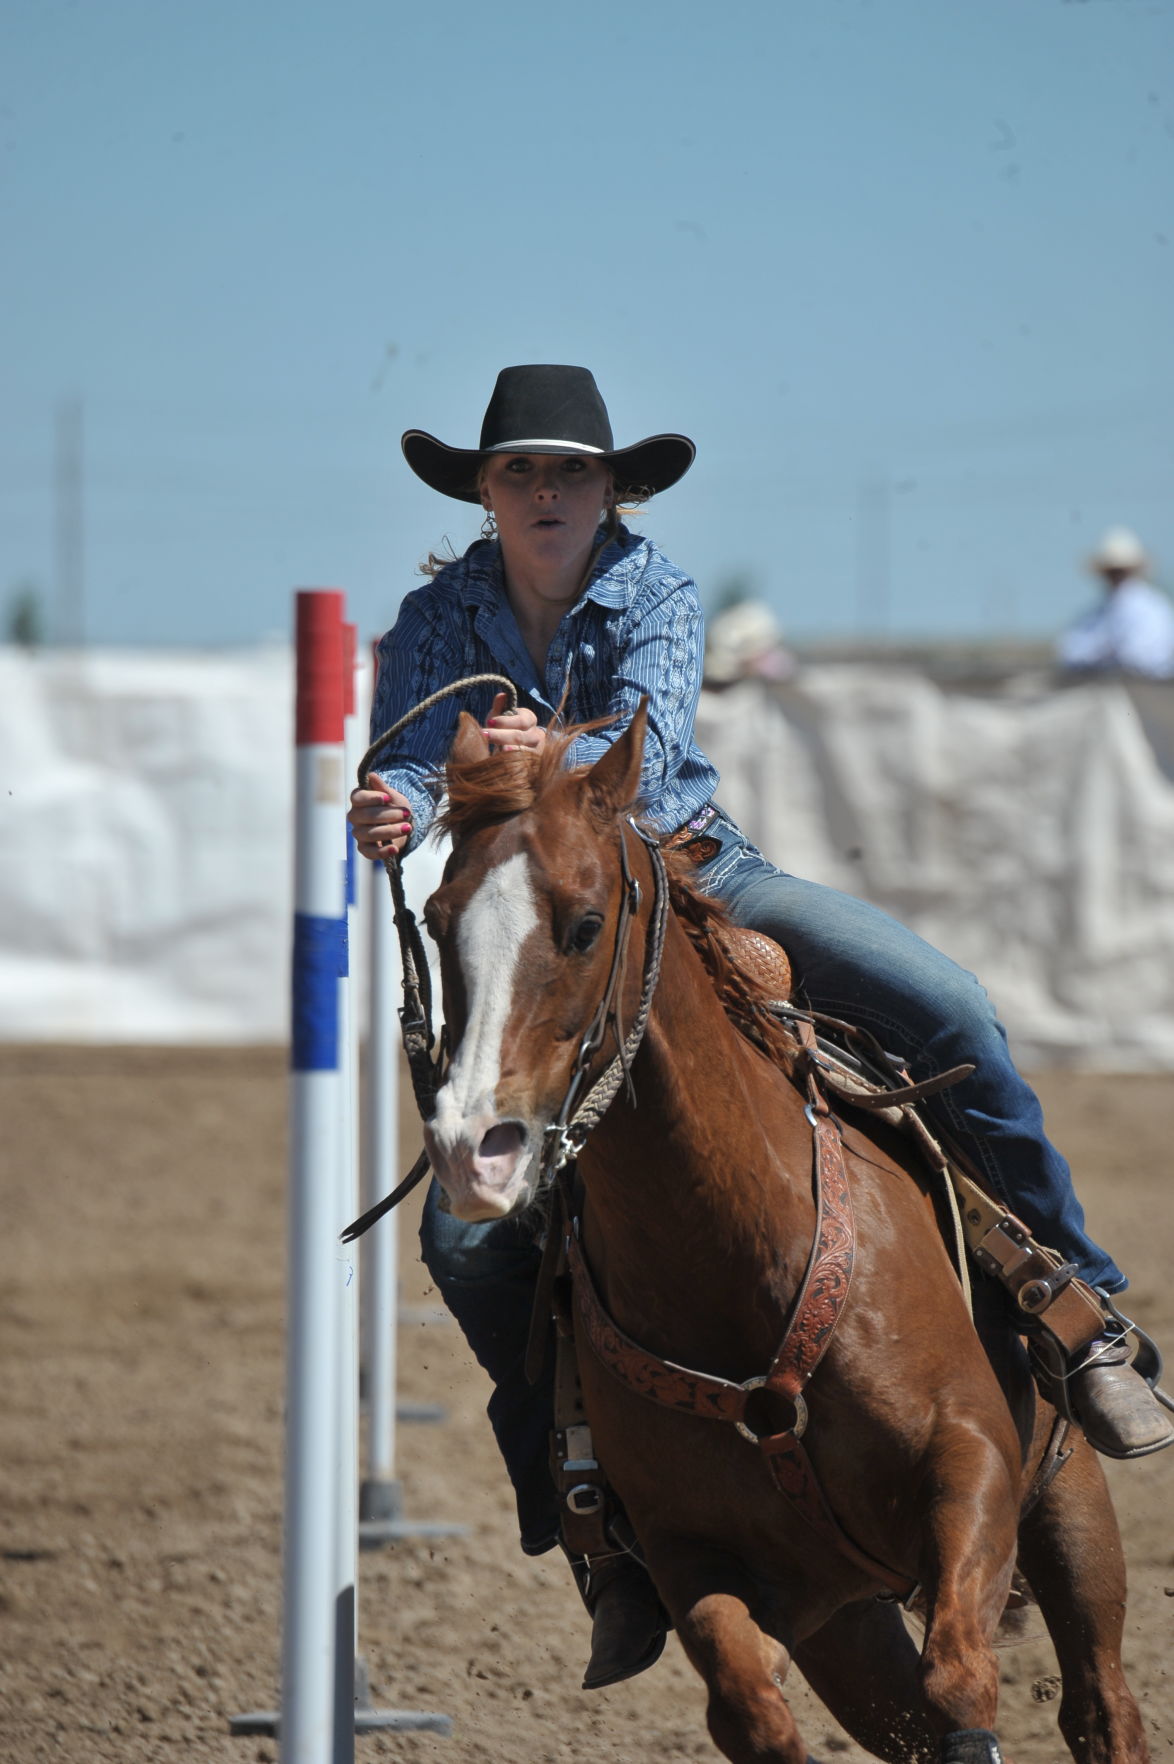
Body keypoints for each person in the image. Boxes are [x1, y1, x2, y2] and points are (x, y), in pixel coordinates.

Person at [348, 365, 1174, 1689]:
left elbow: (647, 762)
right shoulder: (434, 614)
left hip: (691, 872)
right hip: (541, 915)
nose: (547, 492)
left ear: (608, 489)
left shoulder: (656, 591)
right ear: (486, 492)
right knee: (463, 1232)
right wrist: (391, 800)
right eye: (521, 472)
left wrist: (520, 755)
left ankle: (1079, 1312)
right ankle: (588, 1506)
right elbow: (401, 748)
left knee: (949, 1008)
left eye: (570, 472)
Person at [1056, 527, 1174, 679]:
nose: (1116, 576)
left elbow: (1141, 656)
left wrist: (1102, 652)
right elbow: (1070, 649)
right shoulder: (1097, 612)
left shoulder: (1154, 608)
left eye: (1120, 571)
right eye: (1112, 571)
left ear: (1132, 570)